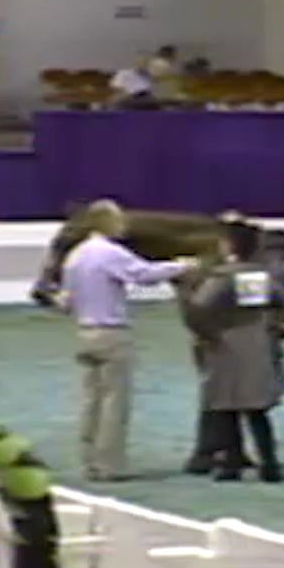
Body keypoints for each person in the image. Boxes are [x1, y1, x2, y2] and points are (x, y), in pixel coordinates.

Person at [57, 199, 198, 482]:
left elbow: (66, 301)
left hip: (85, 332)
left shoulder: (75, 256)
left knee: (91, 400)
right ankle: (111, 465)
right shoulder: (109, 253)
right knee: (114, 402)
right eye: (119, 220)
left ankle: (90, 462)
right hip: (111, 333)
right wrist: (181, 266)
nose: (124, 225)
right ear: (106, 223)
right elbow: (143, 275)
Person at [183, 219, 284, 482]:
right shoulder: (261, 276)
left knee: (227, 406)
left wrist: (207, 332)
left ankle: (231, 463)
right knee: (257, 410)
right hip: (258, 342)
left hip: (228, 345)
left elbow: (199, 307)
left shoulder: (223, 277)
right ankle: (270, 463)